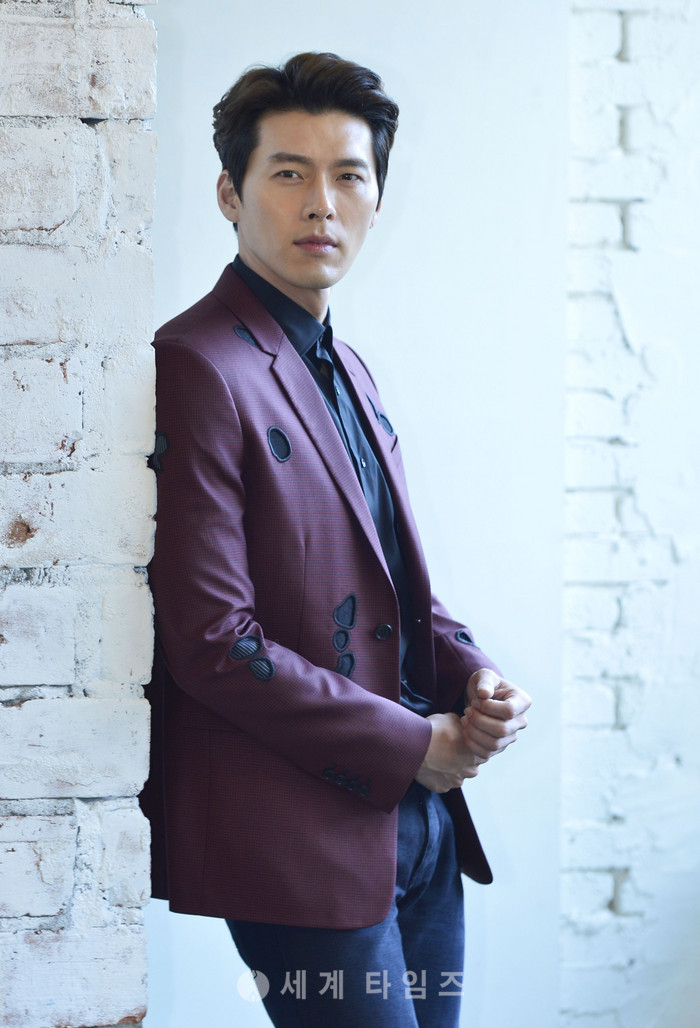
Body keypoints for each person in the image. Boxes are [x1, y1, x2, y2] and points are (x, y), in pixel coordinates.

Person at [140, 51, 531, 1028]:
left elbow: (393, 580)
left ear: (376, 200)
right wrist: (416, 745)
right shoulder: (198, 363)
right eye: (288, 172)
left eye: (349, 175)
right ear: (230, 194)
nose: (322, 202)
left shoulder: (345, 364)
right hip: (301, 837)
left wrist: (474, 678)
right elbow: (212, 642)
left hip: (421, 824)